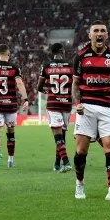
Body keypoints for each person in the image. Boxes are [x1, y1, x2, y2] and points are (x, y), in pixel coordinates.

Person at [72, 20, 110, 201]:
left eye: (102, 31)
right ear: (90, 35)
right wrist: (77, 103)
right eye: (95, 31)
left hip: (108, 107)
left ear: (107, 35)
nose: (99, 33)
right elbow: (75, 84)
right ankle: (79, 185)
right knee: (81, 151)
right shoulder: (80, 56)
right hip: (86, 108)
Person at [0, 44, 29, 169]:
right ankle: (10, 161)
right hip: (11, 105)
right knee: (10, 132)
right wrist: (25, 99)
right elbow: (19, 83)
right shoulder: (14, 67)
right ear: (8, 54)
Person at [37, 42, 73, 173]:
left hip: (53, 104)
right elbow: (75, 85)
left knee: (57, 136)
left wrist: (50, 91)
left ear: (52, 53)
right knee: (62, 136)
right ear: (62, 51)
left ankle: (66, 162)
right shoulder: (70, 66)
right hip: (67, 104)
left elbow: (39, 87)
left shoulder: (46, 66)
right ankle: (57, 163)